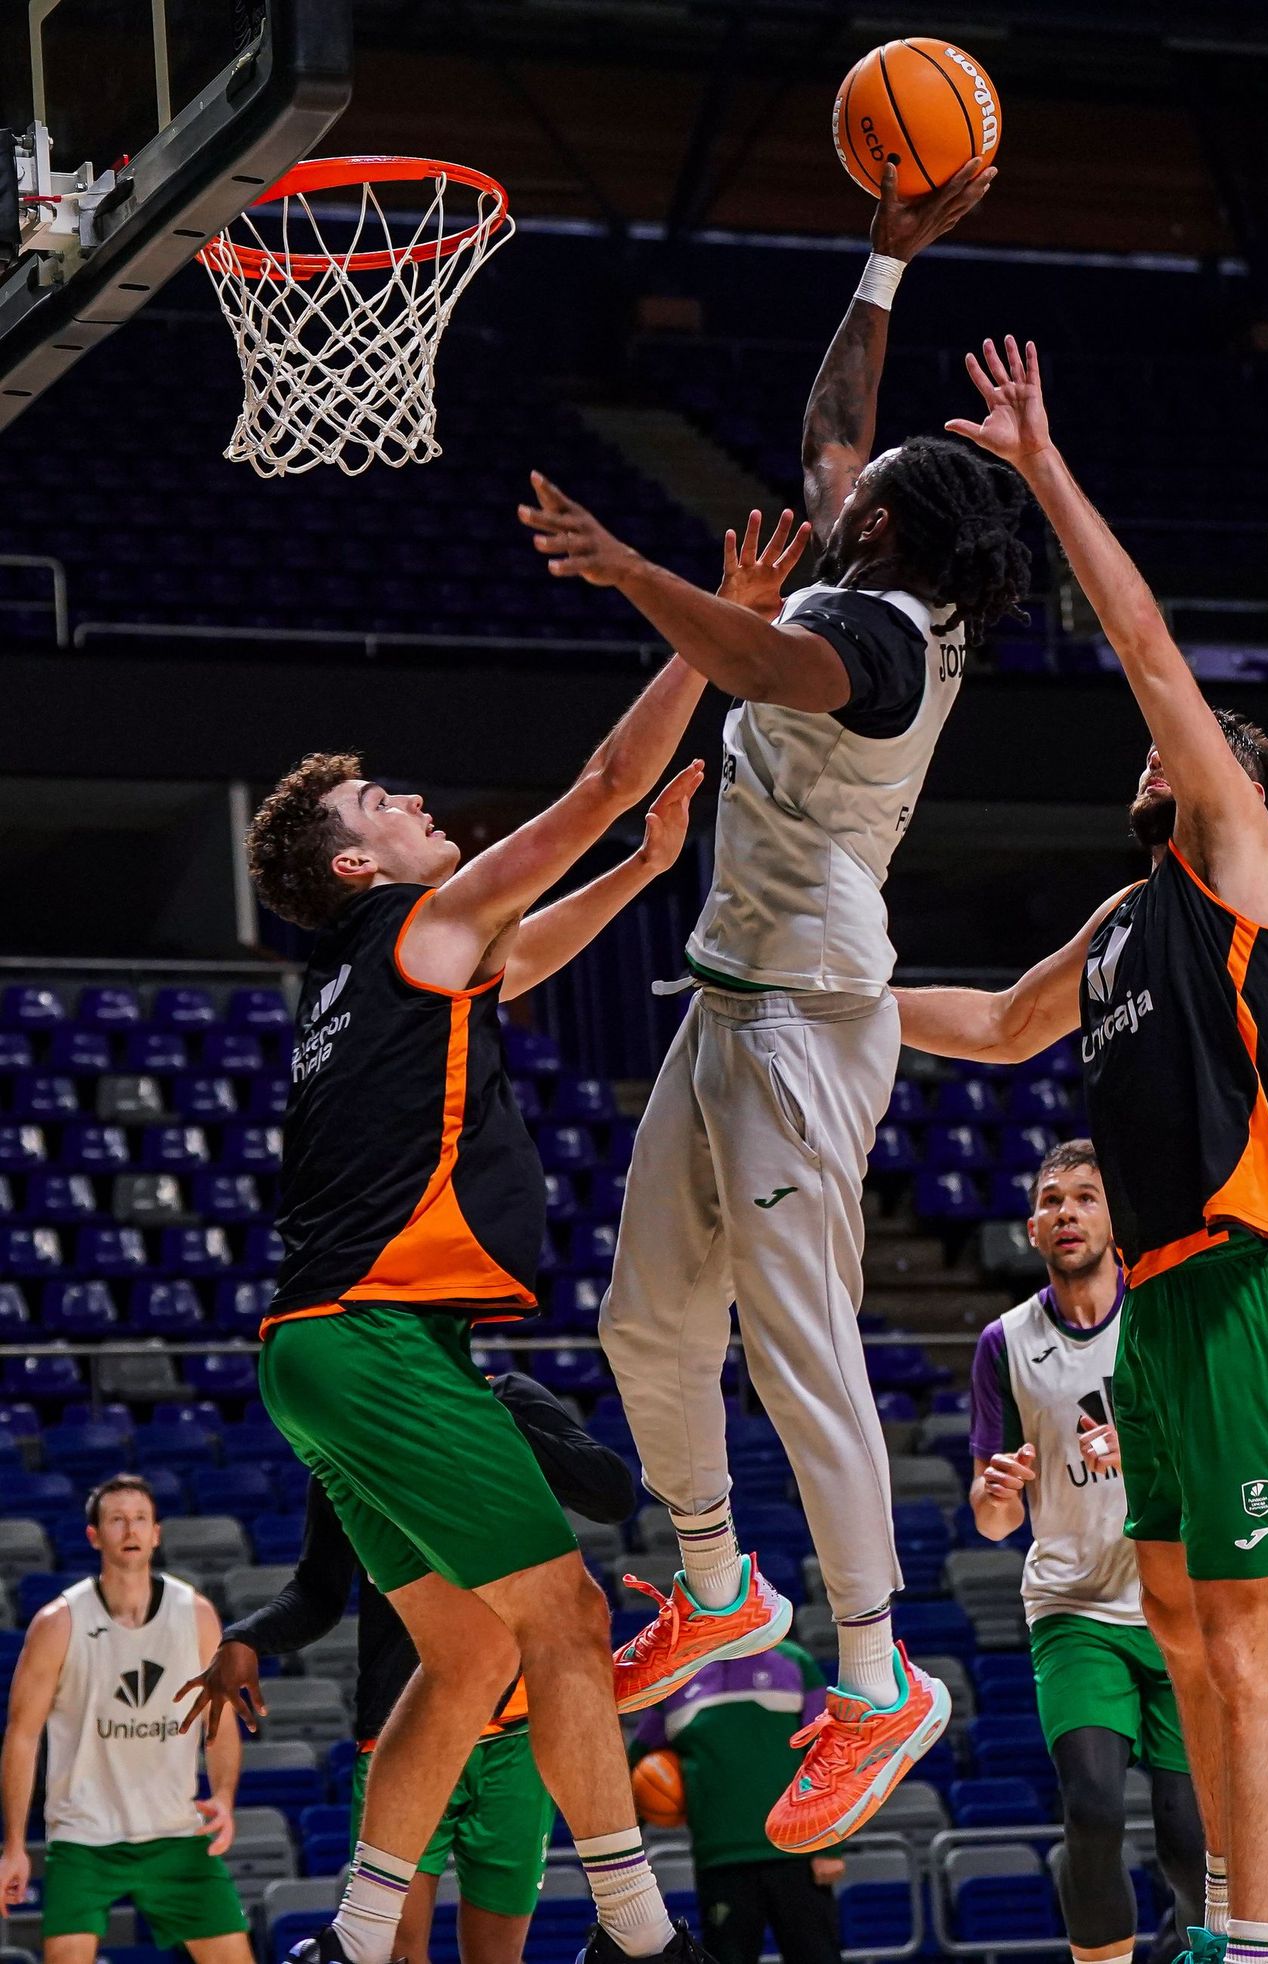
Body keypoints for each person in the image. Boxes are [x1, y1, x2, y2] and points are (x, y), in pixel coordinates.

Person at [515, 155, 1032, 1855]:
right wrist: (880, 267)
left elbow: (763, 663)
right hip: (730, 995)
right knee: (643, 1320)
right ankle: (723, 1591)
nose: (850, 475)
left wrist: (639, 577)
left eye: (877, 481)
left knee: (801, 1351)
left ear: (893, 524)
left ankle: (881, 1678)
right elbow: (830, 425)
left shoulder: (879, 641)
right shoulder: (864, 548)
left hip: (813, 1017)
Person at [232, 519, 813, 1964]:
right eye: (383, 797)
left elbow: (527, 951)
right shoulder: (414, 929)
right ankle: (638, 1926)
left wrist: (636, 873)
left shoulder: (378, 973)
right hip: (374, 1343)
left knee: (474, 1647)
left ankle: (358, 1940)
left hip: (325, 1352)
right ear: (358, 864)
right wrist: (712, 626)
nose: (414, 798)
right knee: (559, 1613)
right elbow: (608, 779)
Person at [895, 337, 1268, 1964]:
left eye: (1187, 743)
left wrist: (1041, 469)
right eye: (1167, 747)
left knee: (1244, 1632)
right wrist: (845, 1004)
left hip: (1246, 1275)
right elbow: (1008, 1024)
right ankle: (1233, 1916)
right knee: (1181, 1625)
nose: (1159, 747)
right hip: (1154, 1304)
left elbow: (1148, 647)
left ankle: (1249, 1931)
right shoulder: (1125, 919)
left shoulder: (1239, 862)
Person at [176, 1373, 636, 1964]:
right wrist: (248, 1636)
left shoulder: (509, 1396)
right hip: (407, 1730)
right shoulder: (355, 1437)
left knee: (499, 1955)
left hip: (518, 1739)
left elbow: (612, 1493)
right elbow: (316, 1591)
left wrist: (488, 1419)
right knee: (391, 1951)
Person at [970, 1140, 1204, 1964]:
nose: (1066, 1211)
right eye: (1050, 1200)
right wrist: (997, 1496)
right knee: (1096, 1809)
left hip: (1177, 1605)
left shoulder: (1164, 1315)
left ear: (1115, 1220)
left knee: (1187, 1834)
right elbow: (993, 1520)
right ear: (1032, 1230)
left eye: (1085, 1197)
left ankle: (1213, 1947)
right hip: (1074, 1608)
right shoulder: (1005, 1342)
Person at [0, 1475, 251, 1964]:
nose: (129, 1529)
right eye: (116, 1519)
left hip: (176, 1833)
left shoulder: (195, 1614)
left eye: (140, 1518)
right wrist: (13, 1845)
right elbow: (22, 1736)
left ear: (156, 1533)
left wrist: (222, 1796)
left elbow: (218, 1721)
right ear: (95, 1536)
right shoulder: (58, 1623)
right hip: (83, 1837)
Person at [629, 1642, 845, 1964]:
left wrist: (830, 1846)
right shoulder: (676, 1679)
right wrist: (626, 1855)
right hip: (719, 1862)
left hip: (798, 1855)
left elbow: (829, 1756)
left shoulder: (795, 1662)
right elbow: (635, 1765)